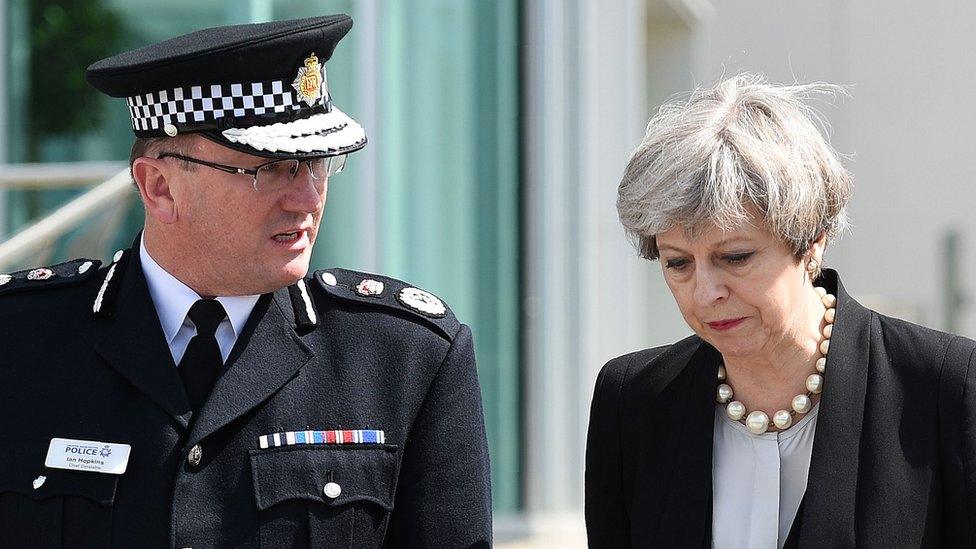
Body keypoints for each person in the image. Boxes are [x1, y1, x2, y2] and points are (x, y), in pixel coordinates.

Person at [0, 15, 491, 549]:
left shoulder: (402, 356)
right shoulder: (18, 338)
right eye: (270, 168)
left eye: (317, 164)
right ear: (160, 187)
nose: (306, 200)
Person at [585, 73, 976, 548]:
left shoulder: (947, 386)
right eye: (678, 264)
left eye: (735, 257)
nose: (706, 292)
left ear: (811, 241)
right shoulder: (632, 401)